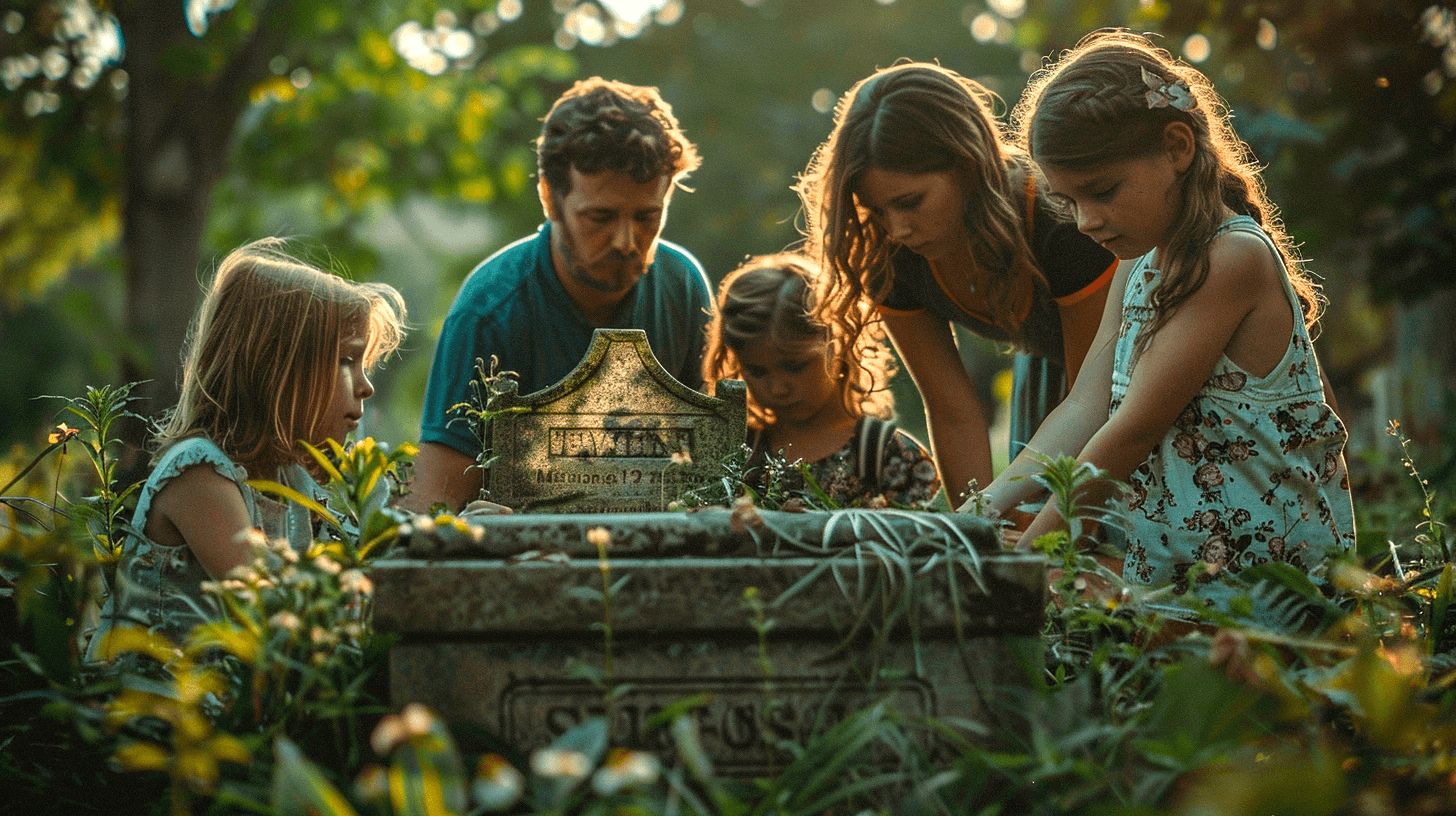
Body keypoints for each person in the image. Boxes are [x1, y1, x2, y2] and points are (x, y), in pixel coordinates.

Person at [979, 30, 1355, 612]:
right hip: (1181, 576)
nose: (1084, 222)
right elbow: (1085, 407)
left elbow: (1133, 429)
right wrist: (975, 516)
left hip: (1268, 588)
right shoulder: (1138, 266)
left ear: (1177, 148)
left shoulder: (1231, 258)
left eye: (1100, 191)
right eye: (1067, 202)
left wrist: (1034, 559)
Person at [796, 61, 1119, 507]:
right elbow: (952, 412)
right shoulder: (888, 257)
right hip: (1054, 372)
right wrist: (979, 523)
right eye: (878, 210)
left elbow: (1092, 402)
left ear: (968, 164)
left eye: (910, 202)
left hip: (1122, 376)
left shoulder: (1062, 227)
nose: (897, 229)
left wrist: (1043, 525)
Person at [86, 238, 407, 656]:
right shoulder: (199, 474)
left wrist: (443, 536)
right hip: (159, 712)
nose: (365, 387)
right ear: (277, 371)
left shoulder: (289, 479)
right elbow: (279, 617)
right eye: (346, 361)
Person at [408, 77, 714, 514]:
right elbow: (433, 508)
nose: (627, 241)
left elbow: (717, 466)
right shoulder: (489, 310)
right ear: (550, 198)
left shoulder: (683, 287)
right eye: (601, 217)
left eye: (648, 216)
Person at [702, 253, 940, 508]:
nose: (778, 388)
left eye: (795, 365)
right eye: (758, 372)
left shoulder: (887, 453)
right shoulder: (740, 453)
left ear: (838, 343)